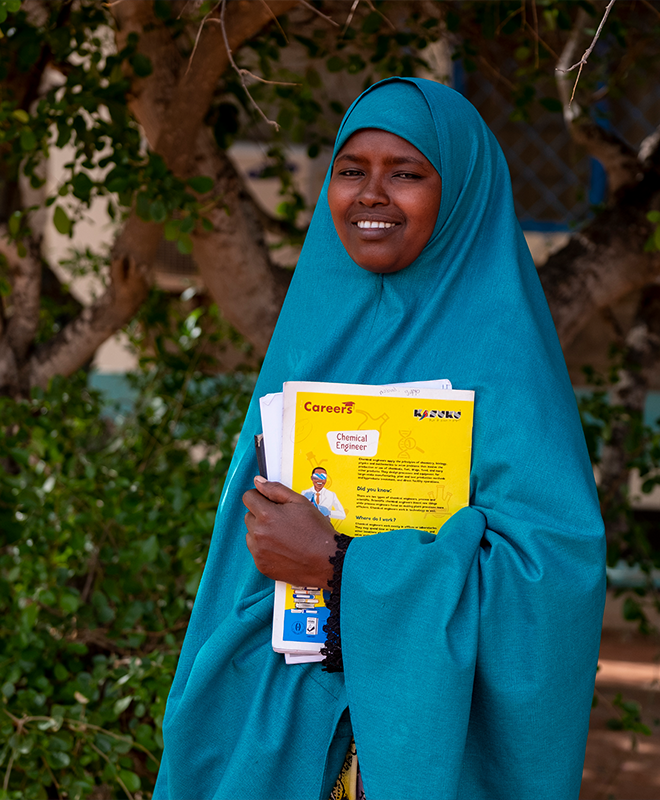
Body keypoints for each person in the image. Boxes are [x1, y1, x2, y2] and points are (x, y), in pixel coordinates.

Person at [153, 77, 605, 800]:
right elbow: (245, 561)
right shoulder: (313, 334)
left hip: (428, 740)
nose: (371, 194)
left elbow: (551, 578)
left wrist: (340, 565)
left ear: (458, 192)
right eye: (351, 170)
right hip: (286, 722)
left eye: (407, 173)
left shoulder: (503, 357)